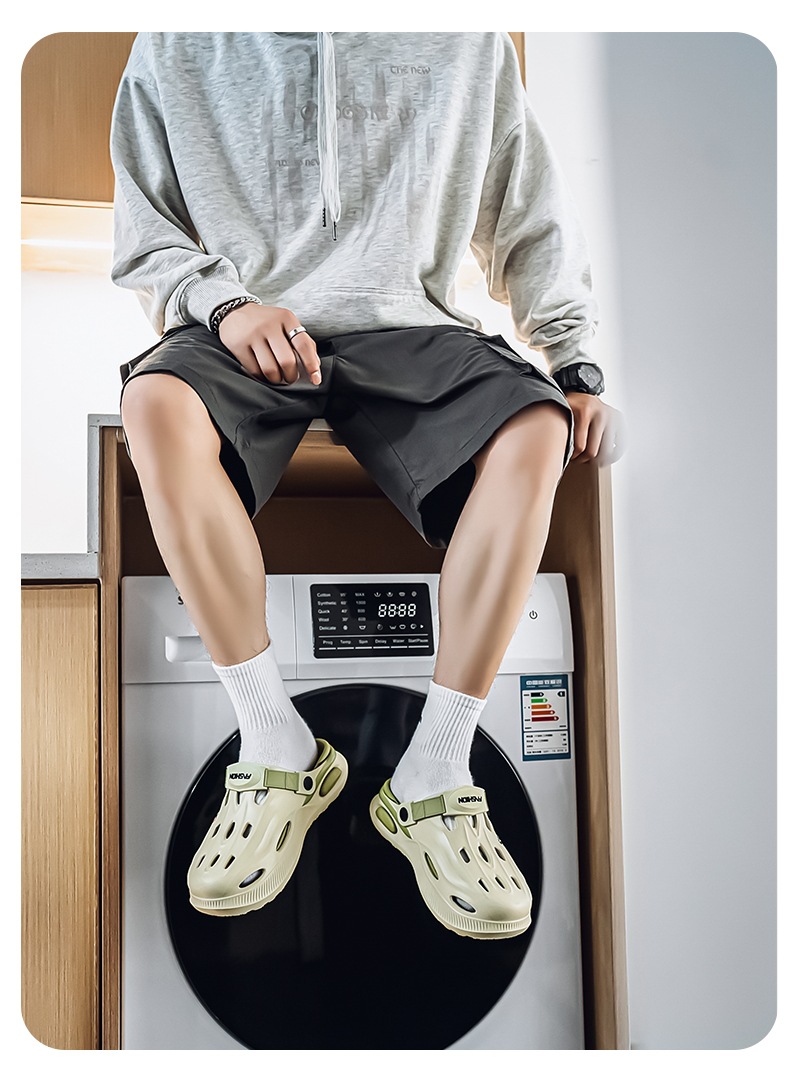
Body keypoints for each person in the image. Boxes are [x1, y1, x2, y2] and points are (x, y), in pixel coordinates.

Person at [110, 31, 623, 940]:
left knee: (537, 424)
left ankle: (437, 765)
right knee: (152, 401)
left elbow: (526, 203)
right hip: (245, 328)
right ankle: (275, 741)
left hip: (414, 326)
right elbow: (145, 231)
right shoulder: (178, 37)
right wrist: (226, 306)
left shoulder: (467, 39)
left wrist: (574, 361)